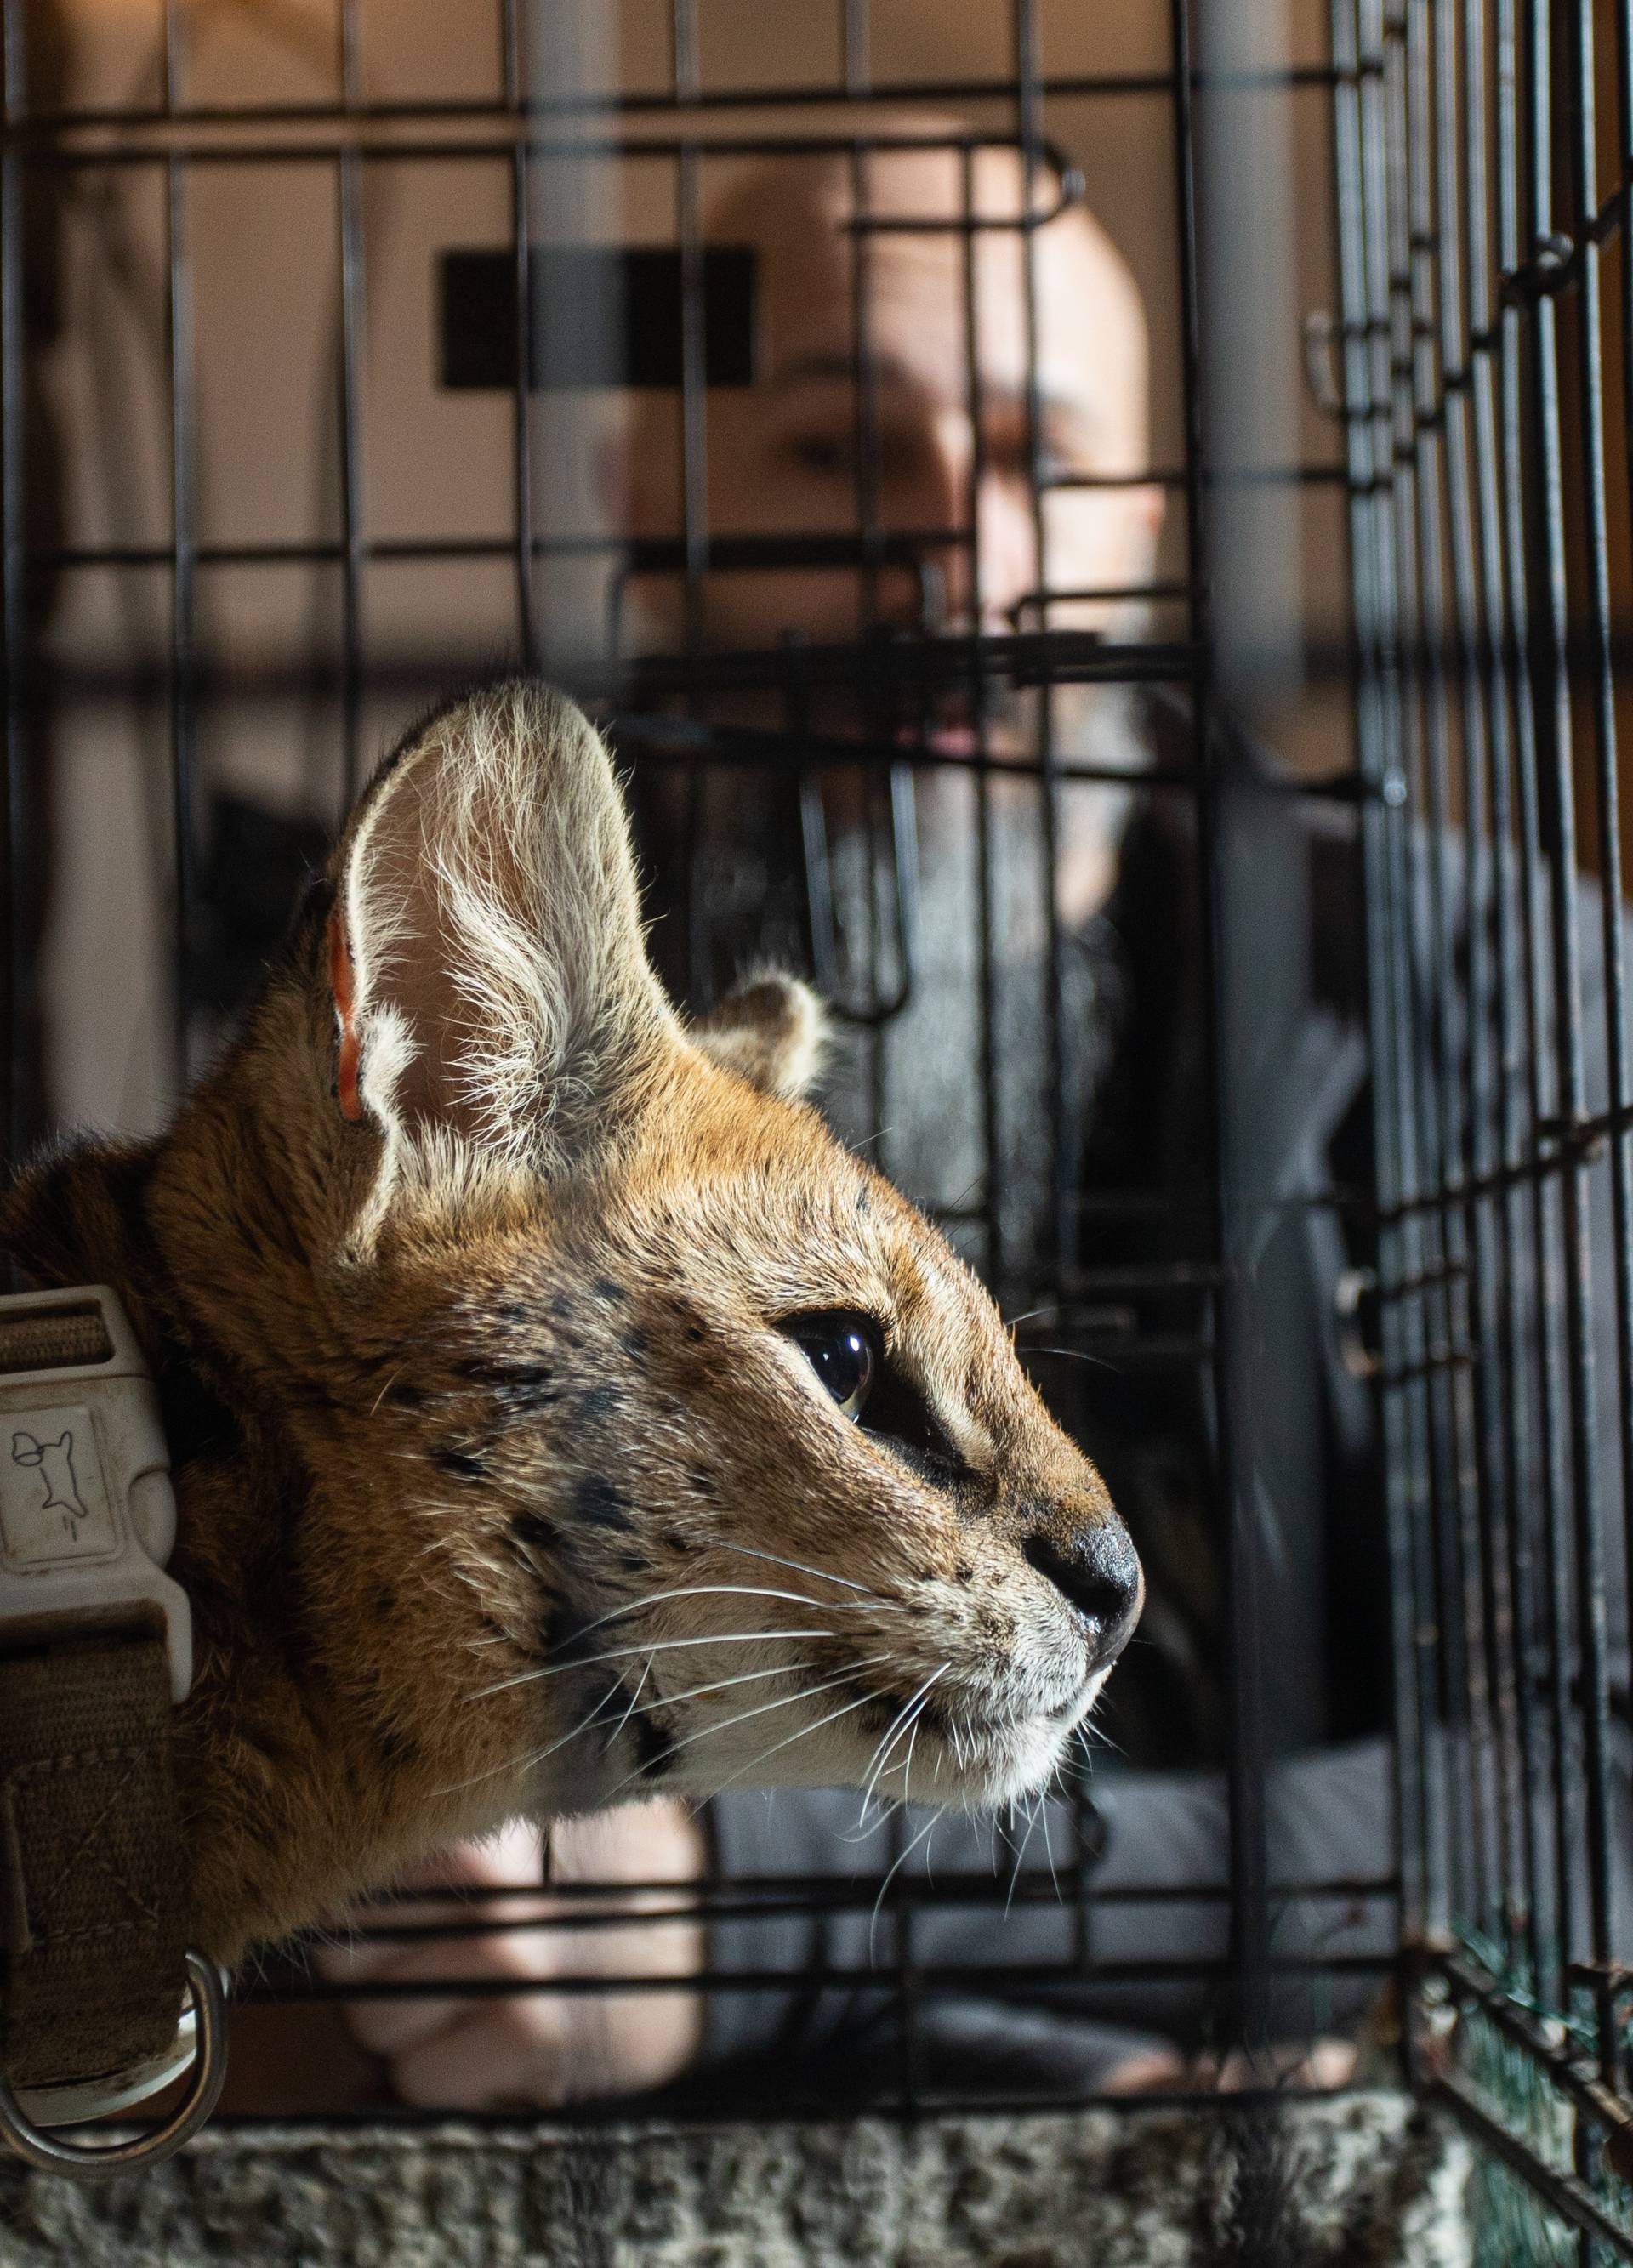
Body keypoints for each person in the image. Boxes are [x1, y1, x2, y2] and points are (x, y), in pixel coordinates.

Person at [232, 127, 1631, 2117]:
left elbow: (1577, 1789)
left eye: (1044, 459)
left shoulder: (1493, 980)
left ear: (1149, 526)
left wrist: (745, 1914)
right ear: (657, 498)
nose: (962, 555)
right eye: (836, 449)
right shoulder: (462, 1029)